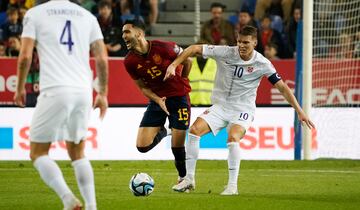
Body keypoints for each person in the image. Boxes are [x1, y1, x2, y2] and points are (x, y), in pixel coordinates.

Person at [165, 25, 315, 195]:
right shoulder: (226, 52)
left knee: (232, 137)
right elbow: (193, 48)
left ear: (255, 43)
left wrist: (300, 111)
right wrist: (173, 65)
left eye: (246, 42)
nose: (242, 46)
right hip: (221, 106)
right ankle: (189, 179)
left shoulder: (262, 63)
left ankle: (232, 186)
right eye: (239, 42)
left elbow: (282, 88)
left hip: (243, 109)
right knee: (193, 131)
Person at [13, 1, 108, 209]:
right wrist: (102, 92)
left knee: (38, 153)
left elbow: (25, 56)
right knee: (77, 152)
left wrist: (20, 88)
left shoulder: (35, 13)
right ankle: (92, 206)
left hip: (55, 89)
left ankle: (68, 199)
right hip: (84, 90)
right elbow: (101, 58)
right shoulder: (87, 16)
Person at [122, 19, 192, 188]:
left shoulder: (164, 48)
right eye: (122, 32)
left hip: (179, 98)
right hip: (158, 100)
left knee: (178, 146)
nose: (123, 36)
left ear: (139, 34)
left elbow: (188, 60)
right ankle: (165, 130)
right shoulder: (130, 61)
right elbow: (142, 87)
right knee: (142, 146)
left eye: (127, 32)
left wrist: (182, 79)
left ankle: (184, 178)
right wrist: (157, 100)